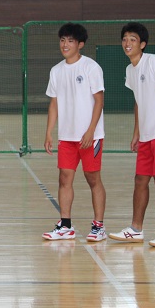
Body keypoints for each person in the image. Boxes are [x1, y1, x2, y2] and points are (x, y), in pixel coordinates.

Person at [109, 22, 155, 248]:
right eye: (124, 39)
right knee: (140, 180)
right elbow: (139, 102)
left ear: (142, 44)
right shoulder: (130, 70)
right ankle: (135, 229)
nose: (127, 43)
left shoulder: (154, 62)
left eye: (133, 39)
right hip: (147, 135)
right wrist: (136, 133)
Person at [42, 23, 107, 242]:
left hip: (91, 137)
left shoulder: (91, 67)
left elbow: (99, 101)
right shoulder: (56, 70)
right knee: (64, 179)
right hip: (67, 137)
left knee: (93, 179)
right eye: (62, 40)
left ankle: (98, 226)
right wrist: (49, 132)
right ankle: (65, 225)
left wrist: (90, 131)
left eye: (70, 41)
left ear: (80, 44)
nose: (65, 44)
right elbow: (54, 103)